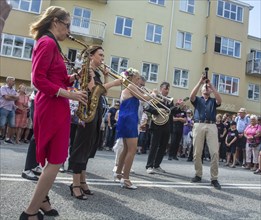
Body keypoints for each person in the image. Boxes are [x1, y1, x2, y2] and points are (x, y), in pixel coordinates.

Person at [20, 6, 88, 220]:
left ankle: (43, 201)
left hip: (54, 104)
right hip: (52, 105)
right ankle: (29, 212)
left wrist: (74, 77)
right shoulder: (48, 42)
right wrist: (69, 95)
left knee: (53, 159)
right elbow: (37, 80)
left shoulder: (51, 44)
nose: (69, 31)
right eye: (67, 25)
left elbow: (54, 77)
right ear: (55, 22)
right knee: (56, 161)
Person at [68, 45, 122, 200]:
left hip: (96, 109)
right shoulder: (87, 70)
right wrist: (113, 83)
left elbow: (103, 92)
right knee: (81, 146)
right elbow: (93, 90)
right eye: (100, 55)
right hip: (86, 111)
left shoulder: (96, 72)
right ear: (91, 56)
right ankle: (75, 184)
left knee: (89, 146)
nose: (102, 59)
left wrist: (106, 77)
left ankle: (83, 181)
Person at [114, 68, 156, 189]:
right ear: (132, 78)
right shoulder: (131, 87)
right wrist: (153, 95)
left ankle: (118, 174)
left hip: (127, 118)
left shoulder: (130, 88)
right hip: (129, 119)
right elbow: (143, 98)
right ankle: (126, 179)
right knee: (132, 150)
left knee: (126, 149)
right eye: (137, 78)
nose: (139, 80)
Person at [190, 74, 222, 190]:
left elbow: (220, 100)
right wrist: (200, 82)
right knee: (197, 152)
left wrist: (212, 86)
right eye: (205, 87)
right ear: (202, 90)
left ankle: (214, 178)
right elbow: (191, 95)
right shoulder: (197, 99)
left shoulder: (213, 101)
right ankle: (198, 174)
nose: (206, 88)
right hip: (199, 124)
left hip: (212, 125)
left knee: (214, 152)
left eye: (207, 87)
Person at [145, 82, 174, 174]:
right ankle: (149, 166)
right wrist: (158, 111)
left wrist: (178, 107)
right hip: (157, 125)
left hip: (166, 125)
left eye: (168, 89)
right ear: (161, 89)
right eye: (166, 89)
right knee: (154, 146)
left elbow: (170, 112)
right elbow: (148, 108)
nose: (167, 91)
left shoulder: (169, 99)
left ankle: (157, 165)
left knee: (163, 147)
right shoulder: (155, 97)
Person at [0, 76, 19, 144]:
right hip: (4, 108)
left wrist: (11, 96)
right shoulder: (3, 88)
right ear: (8, 81)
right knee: (1, 124)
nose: (14, 82)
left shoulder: (13, 90)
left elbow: (17, 98)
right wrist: (13, 96)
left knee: (12, 125)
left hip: (11, 108)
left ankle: (7, 139)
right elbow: (6, 97)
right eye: (13, 81)